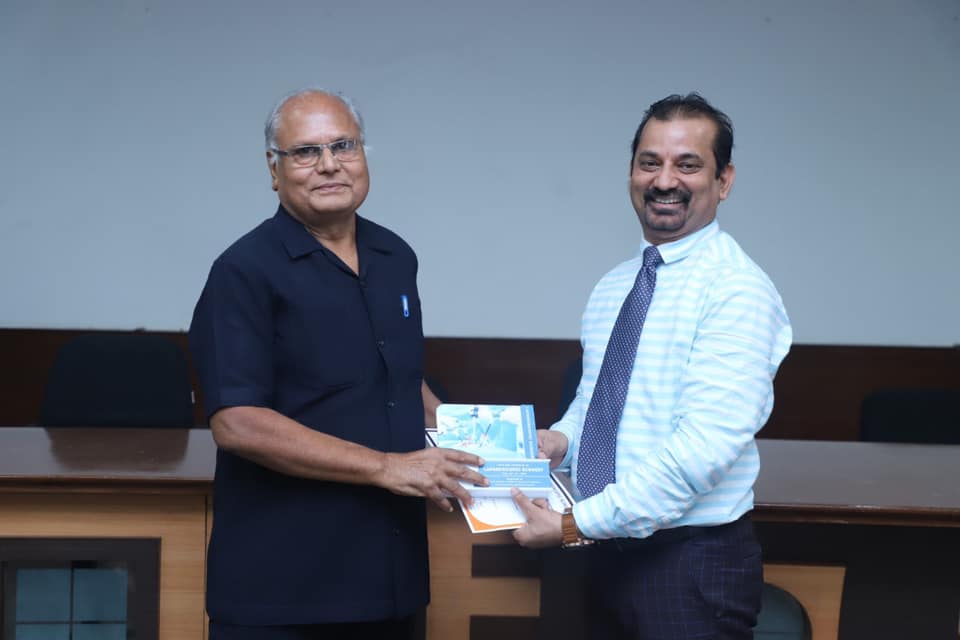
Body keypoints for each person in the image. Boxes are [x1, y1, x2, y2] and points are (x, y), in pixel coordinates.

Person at [189, 88, 487, 640]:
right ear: (274, 169)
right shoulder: (243, 271)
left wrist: (487, 452)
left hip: (392, 581)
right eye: (306, 151)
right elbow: (237, 423)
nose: (329, 164)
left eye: (343, 145)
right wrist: (388, 467)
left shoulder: (395, 256)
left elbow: (398, 377)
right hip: (284, 588)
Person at [511, 93, 792, 639]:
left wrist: (573, 525)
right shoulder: (615, 285)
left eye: (687, 165)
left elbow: (700, 455)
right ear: (631, 174)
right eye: (650, 163)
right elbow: (600, 400)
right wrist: (563, 439)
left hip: (687, 565)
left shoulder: (737, 291)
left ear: (724, 181)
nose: (664, 181)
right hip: (601, 552)